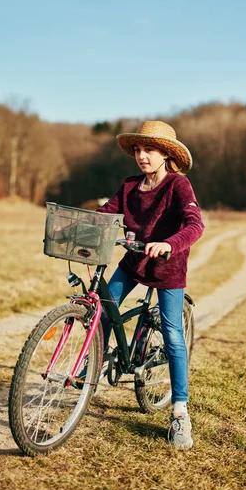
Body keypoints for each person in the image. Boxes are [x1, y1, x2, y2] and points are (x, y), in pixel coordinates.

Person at [97, 120, 204, 450]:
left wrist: (171, 243)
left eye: (150, 150)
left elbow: (195, 224)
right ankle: (95, 361)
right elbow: (105, 213)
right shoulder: (130, 187)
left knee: (172, 333)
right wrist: (78, 226)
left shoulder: (178, 186)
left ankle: (180, 411)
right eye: (138, 150)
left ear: (165, 154)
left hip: (168, 268)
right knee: (102, 310)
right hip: (133, 261)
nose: (142, 156)